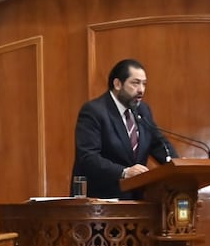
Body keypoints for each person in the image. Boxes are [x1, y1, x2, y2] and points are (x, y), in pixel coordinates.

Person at [72, 58, 177, 199]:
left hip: (138, 201)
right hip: (103, 202)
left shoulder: (143, 111)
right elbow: (88, 157)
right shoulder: (94, 111)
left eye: (144, 84)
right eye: (135, 83)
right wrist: (124, 172)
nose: (141, 90)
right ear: (117, 84)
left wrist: (179, 168)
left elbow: (160, 145)